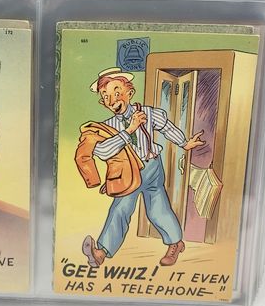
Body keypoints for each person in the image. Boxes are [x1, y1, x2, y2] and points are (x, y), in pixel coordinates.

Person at [77, 67, 205, 268]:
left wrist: (184, 143)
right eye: (106, 96)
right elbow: (102, 151)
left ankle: (175, 243)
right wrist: (129, 130)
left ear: (129, 92)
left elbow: (166, 127)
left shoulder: (147, 113)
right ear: (102, 102)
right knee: (121, 209)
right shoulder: (107, 126)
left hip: (152, 167)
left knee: (157, 209)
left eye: (117, 92)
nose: (112, 100)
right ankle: (101, 252)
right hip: (129, 173)